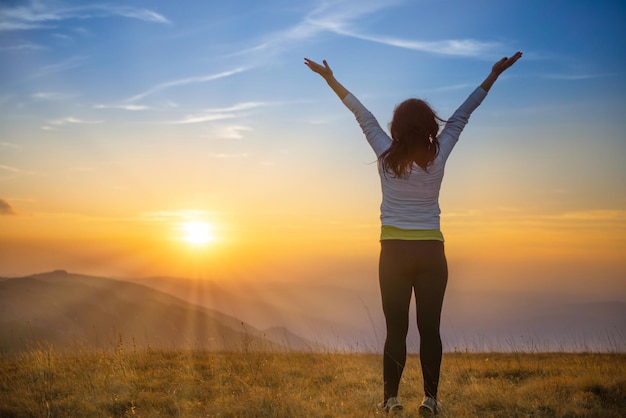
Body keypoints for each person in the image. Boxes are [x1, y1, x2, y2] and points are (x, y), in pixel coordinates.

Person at [304, 51, 522, 415]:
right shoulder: (439, 153)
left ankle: (390, 400)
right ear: (429, 125)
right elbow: (464, 113)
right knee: (430, 330)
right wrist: (493, 74)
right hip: (431, 254)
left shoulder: (385, 151)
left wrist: (330, 80)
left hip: (393, 253)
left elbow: (361, 114)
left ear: (397, 125)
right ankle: (431, 400)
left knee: (395, 330)